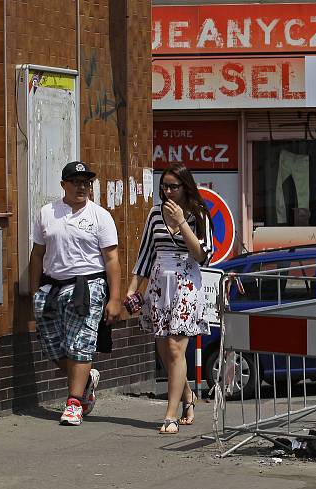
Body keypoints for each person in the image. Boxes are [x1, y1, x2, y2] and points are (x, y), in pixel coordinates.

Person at [29, 161, 122, 426]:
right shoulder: (47, 213)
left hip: (87, 285)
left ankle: (73, 403)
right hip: (51, 286)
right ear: (63, 185)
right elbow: (37, 254)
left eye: (86, 183)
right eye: (76, 182)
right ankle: (86, 379)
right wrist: (35, 290)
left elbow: (112, 259)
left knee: (80, 343)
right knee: (53, 346)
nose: (82, 187)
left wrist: (114, 299)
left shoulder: (100, 216)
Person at [126, 164, 213, 434]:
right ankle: (187, 395)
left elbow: (203, 255)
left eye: (173, 186)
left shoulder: (199, 214)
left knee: (176, 349)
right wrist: (132, 289)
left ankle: (170, 415)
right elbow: (144, 254)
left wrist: (182, 223)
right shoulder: (154, 214)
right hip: (158, 281)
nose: (168, 192)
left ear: (186, 187)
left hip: (186, 280)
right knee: (164, 349)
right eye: (164, 186)